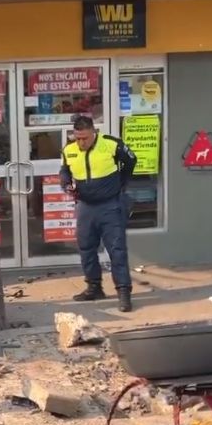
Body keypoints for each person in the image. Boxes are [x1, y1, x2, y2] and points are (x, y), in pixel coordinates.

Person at [60, 115, 138, 312]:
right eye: (77, 138)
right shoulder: (69, 150)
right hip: (85, 206)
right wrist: (66, 183)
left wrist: (120, 183)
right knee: (86, 248)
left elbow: (130, 161)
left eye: (85, 138)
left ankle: (123, 292)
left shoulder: (111, 145)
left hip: (110, 205)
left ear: (94, 133)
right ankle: (94, 287)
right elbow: (65, 170)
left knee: (116, 249)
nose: (81, 142)